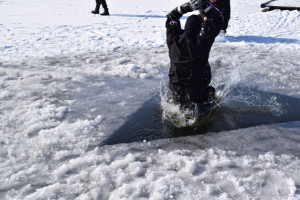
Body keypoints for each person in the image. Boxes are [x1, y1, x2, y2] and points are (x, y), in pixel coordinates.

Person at [166, 0, 223, 112]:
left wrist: (185, 8)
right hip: (196, 90)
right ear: (199, 29)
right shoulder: (202, 42)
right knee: (210, 92)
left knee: (181, 108)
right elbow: (218, 21)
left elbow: (171, 18)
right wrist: (207, 7)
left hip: (175, 87)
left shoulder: (173, 40)